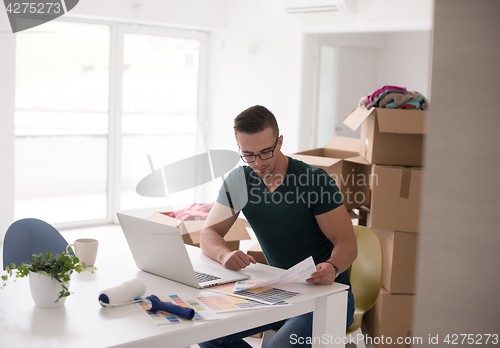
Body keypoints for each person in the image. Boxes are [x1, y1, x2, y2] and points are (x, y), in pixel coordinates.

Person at [199, 105, 357, 348]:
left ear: (280, 142)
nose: (258, 163)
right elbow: (209, 232)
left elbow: (347, 243)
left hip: (327, 295)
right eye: (248, 154)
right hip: (276, 291)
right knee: (208, 334)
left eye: (265, 152)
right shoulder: (240, 180)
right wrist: (224, 254)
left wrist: (333, 267)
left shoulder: (314, 181)